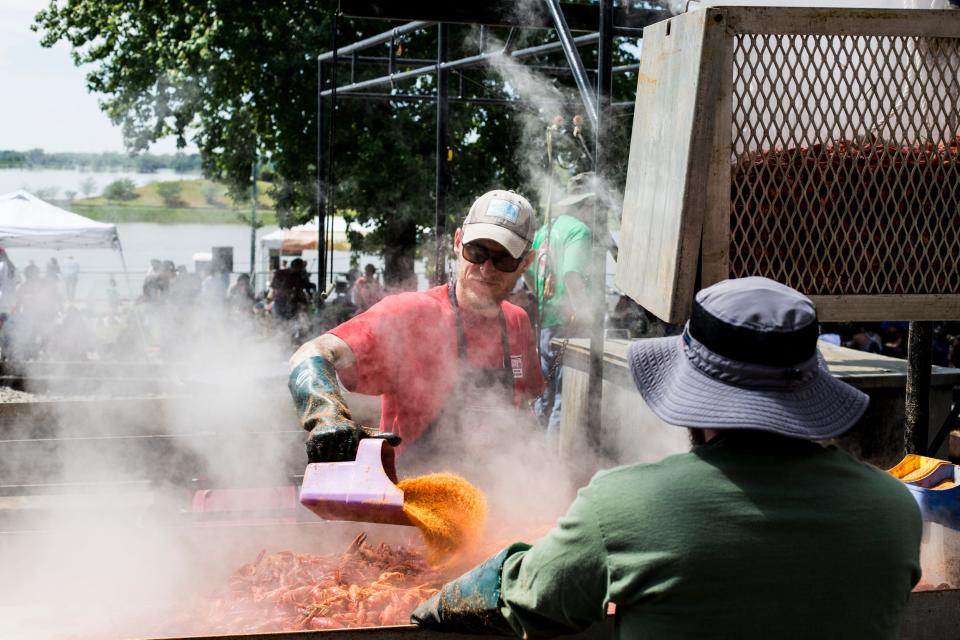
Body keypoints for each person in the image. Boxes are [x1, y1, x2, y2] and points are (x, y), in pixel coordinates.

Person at [413, 277, 922, 638]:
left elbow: (526, 601)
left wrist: (424, 603)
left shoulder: (623, 506)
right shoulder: (896, 512)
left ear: (697, 394)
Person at [288, 189, 544, 469]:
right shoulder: (412, 313)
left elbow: (522, 410)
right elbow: (312, 352)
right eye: (477, 252)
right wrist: (326, 415)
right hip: (415, 497)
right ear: (458, 243)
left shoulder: (517, 322)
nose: (486, 269)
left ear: (525, 262)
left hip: (498, 495)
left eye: (504, 259)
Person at [525, 172, 594, 439]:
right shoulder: (579, 230)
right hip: (569, 326)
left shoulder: (545, 231)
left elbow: (527, 272)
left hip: (546, 325)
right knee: (562, 402)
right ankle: (554, 468)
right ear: (587, 204)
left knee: (545, 396)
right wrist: (586, 313)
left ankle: (533, 458)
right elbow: (572, 276)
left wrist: (543, 298)